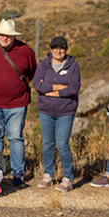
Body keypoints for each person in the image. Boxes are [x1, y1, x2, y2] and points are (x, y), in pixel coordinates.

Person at [0, 18, 36, 187]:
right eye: (1, 35)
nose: (4, 38)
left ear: (14, 36)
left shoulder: (26, 51)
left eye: (8, 35)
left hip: (17, 104)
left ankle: (17, 173)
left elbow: (31, 72)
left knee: (15, 138)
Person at [33, 36, 80, 193]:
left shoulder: (73, 66)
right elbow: (37, 85)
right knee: (47, 143)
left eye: (61, 48)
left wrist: (51, 91)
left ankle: (68, 179)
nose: (58, 51)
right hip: (45, 111)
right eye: (55, 48)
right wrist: (60, 87)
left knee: (62, 145)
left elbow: (74, 88)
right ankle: (48, 175)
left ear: (66, 50)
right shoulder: (43, 65)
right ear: (51, 49)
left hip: (66, 111)